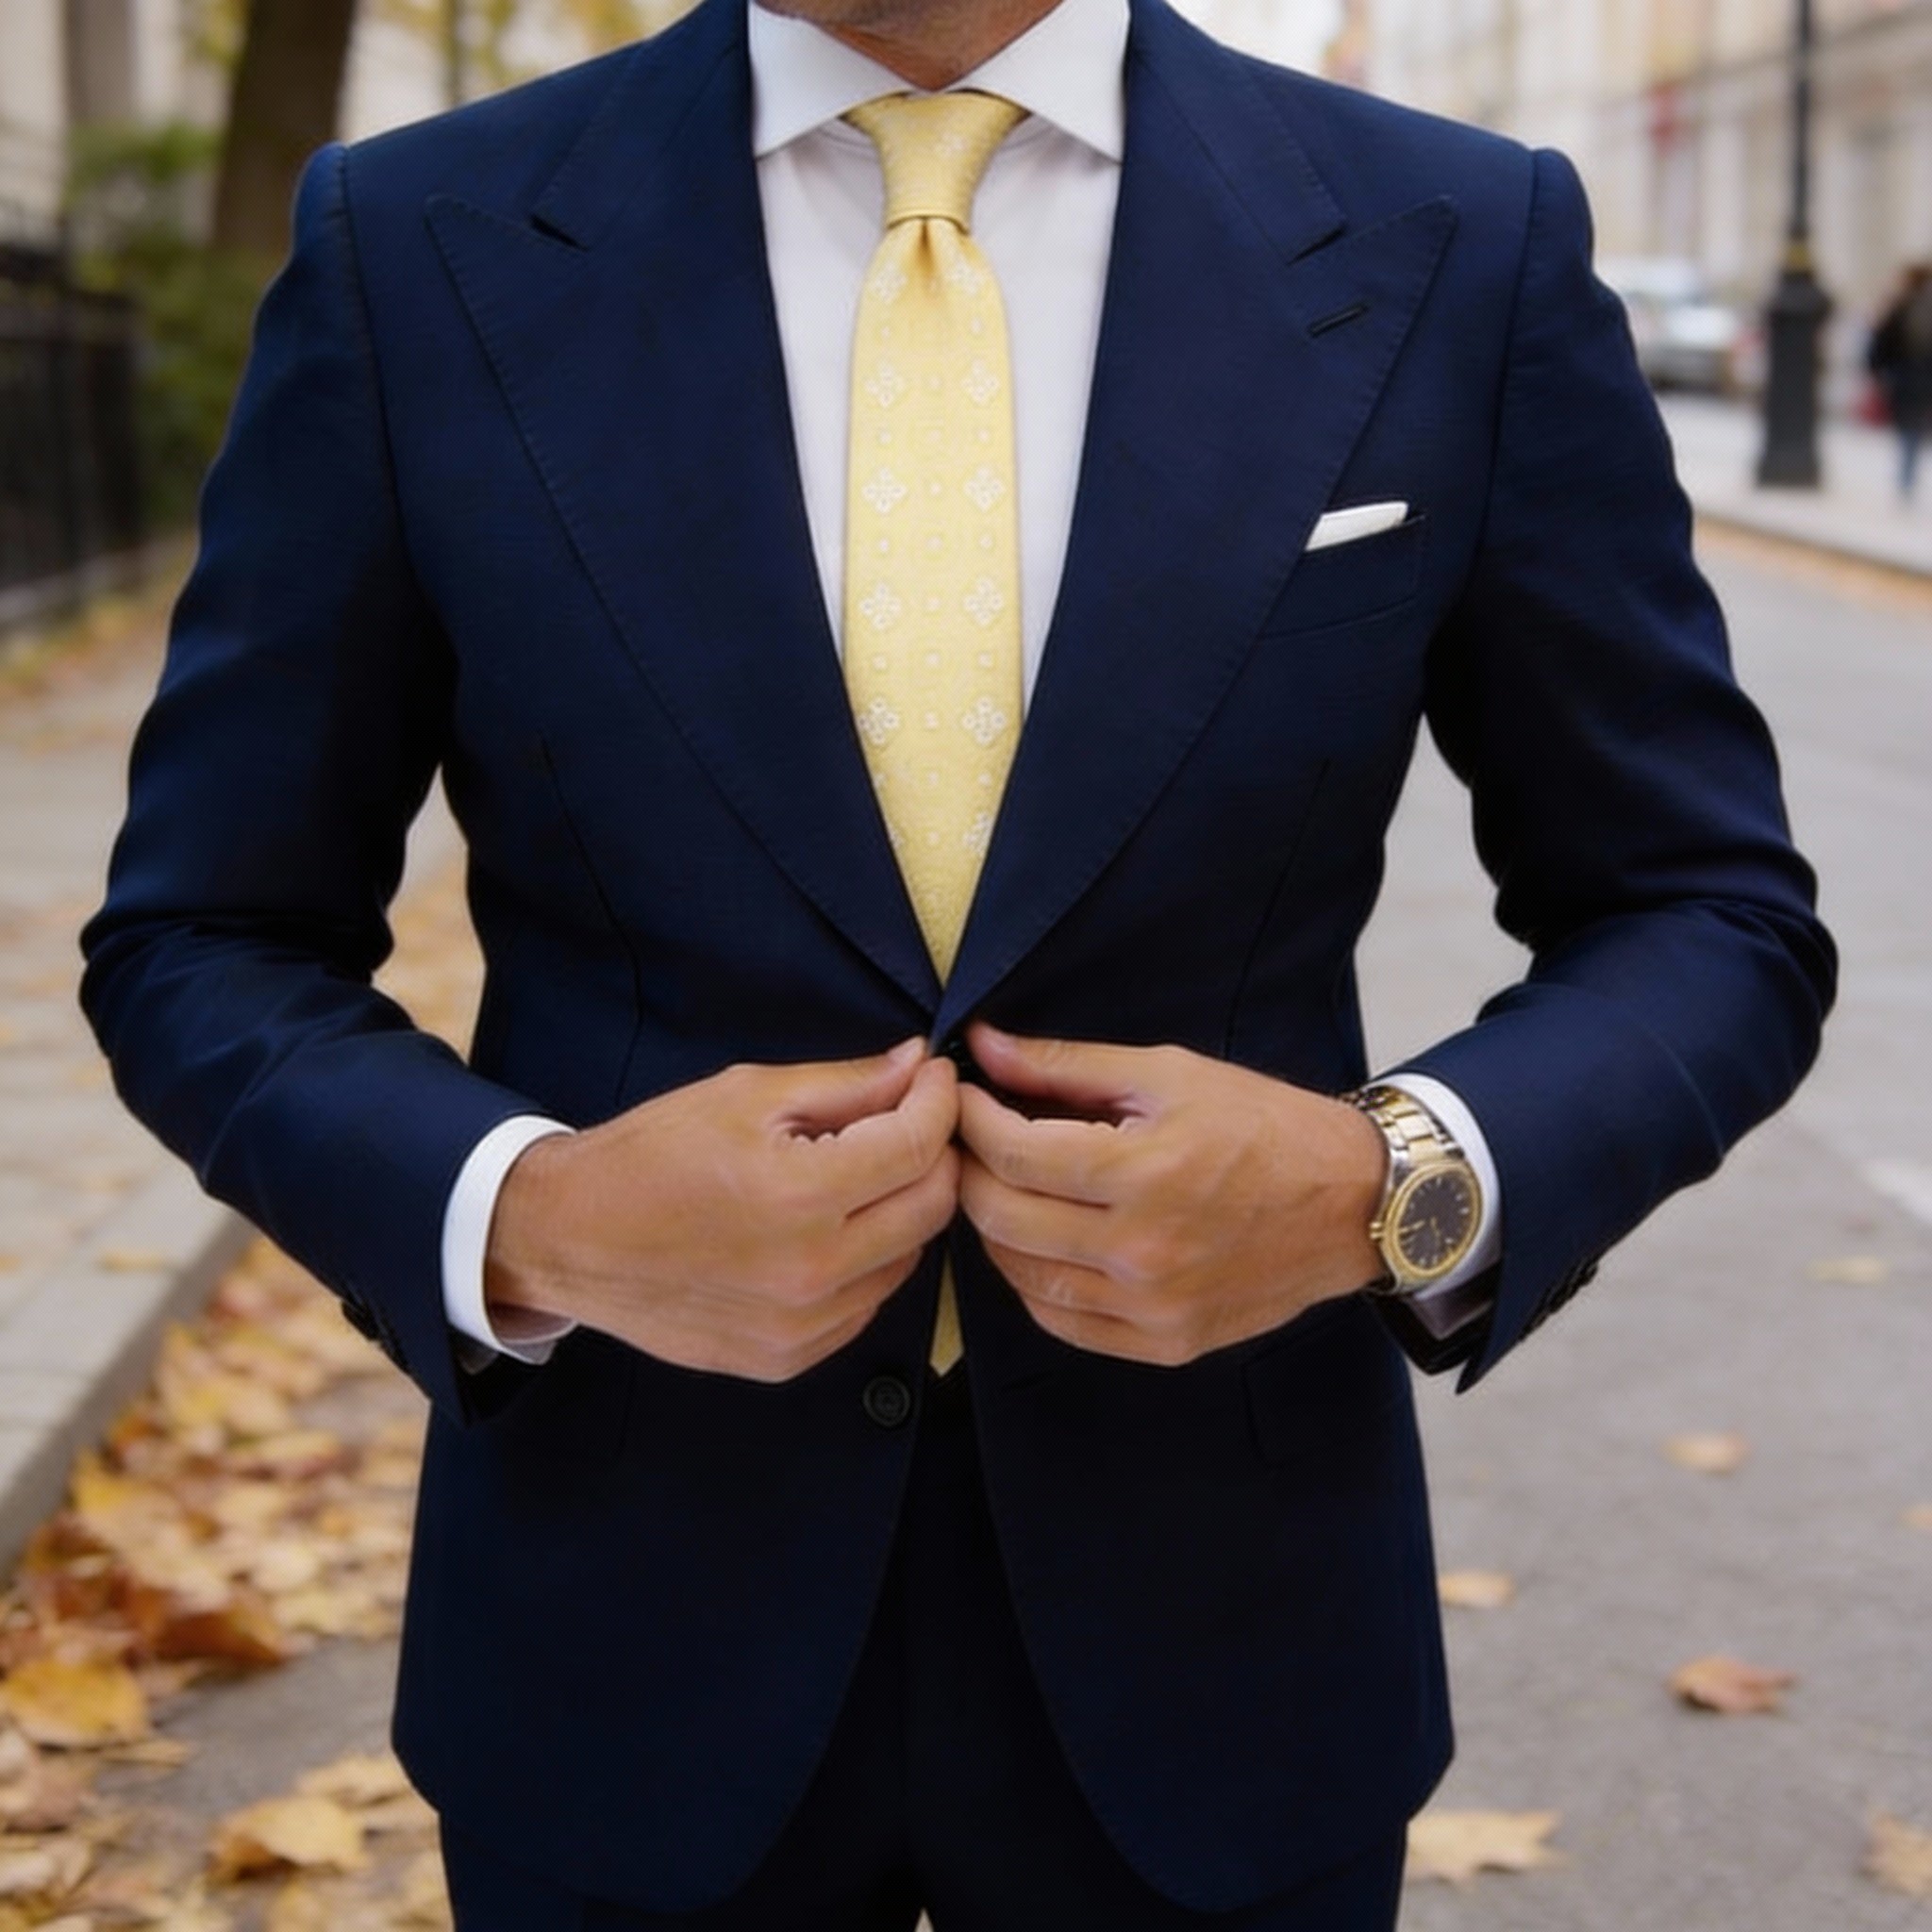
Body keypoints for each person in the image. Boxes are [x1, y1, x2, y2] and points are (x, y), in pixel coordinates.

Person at [79, 0, 1835, 1924]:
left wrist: (1381, 1181)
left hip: (1226, 1640)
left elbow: (1701, 910)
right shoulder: (417, 240)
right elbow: (205, 933)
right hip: (622, 1635)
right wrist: (534, 1216)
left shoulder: (1457, 238)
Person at [1870, 262, 1932, 504]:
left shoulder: (1900, 306)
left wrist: (1876, 371)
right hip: (1921, 378)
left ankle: (1906, 477)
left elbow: (1881, 343)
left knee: (1908, 428)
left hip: (1903, 377)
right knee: (1914, 427)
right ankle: (1908, 475)